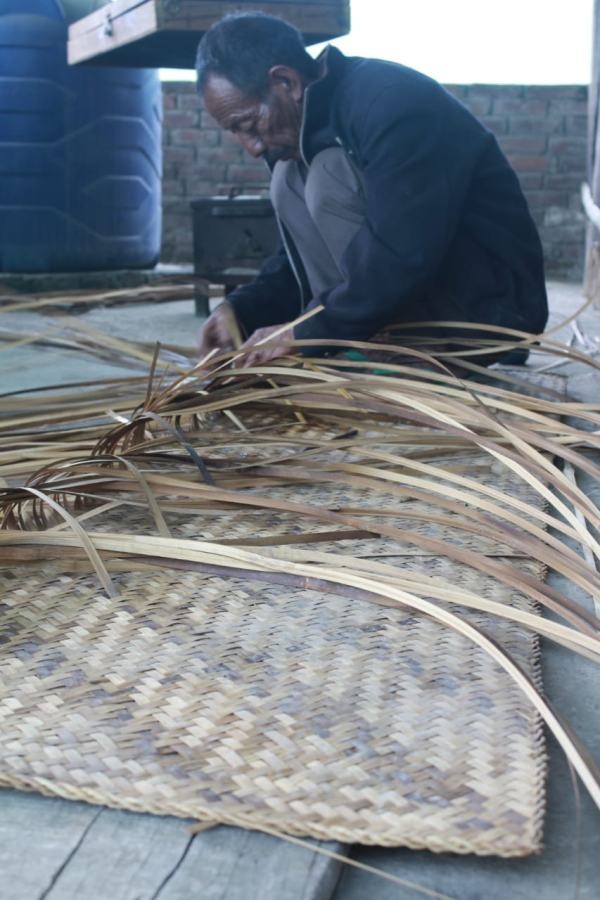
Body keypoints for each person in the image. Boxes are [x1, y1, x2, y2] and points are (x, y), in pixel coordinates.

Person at [196, 12, 548, 369]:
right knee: (287, 179)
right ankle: (369, 333)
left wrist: (307, 333)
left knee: (325, 177)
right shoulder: (301, 136)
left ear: (286, 81)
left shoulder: (394, 103)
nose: (252, 147)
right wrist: (241, 308)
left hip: (485, 315)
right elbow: (297, 257)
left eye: (248, 124)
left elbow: (401, 245)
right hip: (400, 311)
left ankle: (396, 339)